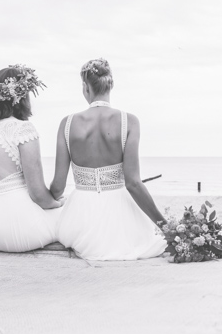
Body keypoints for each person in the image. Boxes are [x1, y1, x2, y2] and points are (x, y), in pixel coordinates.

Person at [51, 58, 167, 260]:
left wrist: (46, 199)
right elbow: (133, 183)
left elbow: (58, 187)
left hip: (80, 219)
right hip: (120, 222)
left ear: (86, 87)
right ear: (110, 85)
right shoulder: (129, 121)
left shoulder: (66, 124)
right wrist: (165, 226)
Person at [0, 65, 62, 252]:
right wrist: (57, 203)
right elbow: (37, 194)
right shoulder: (23, 130)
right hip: (17, 228)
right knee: (65, 215)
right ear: (21, 97)